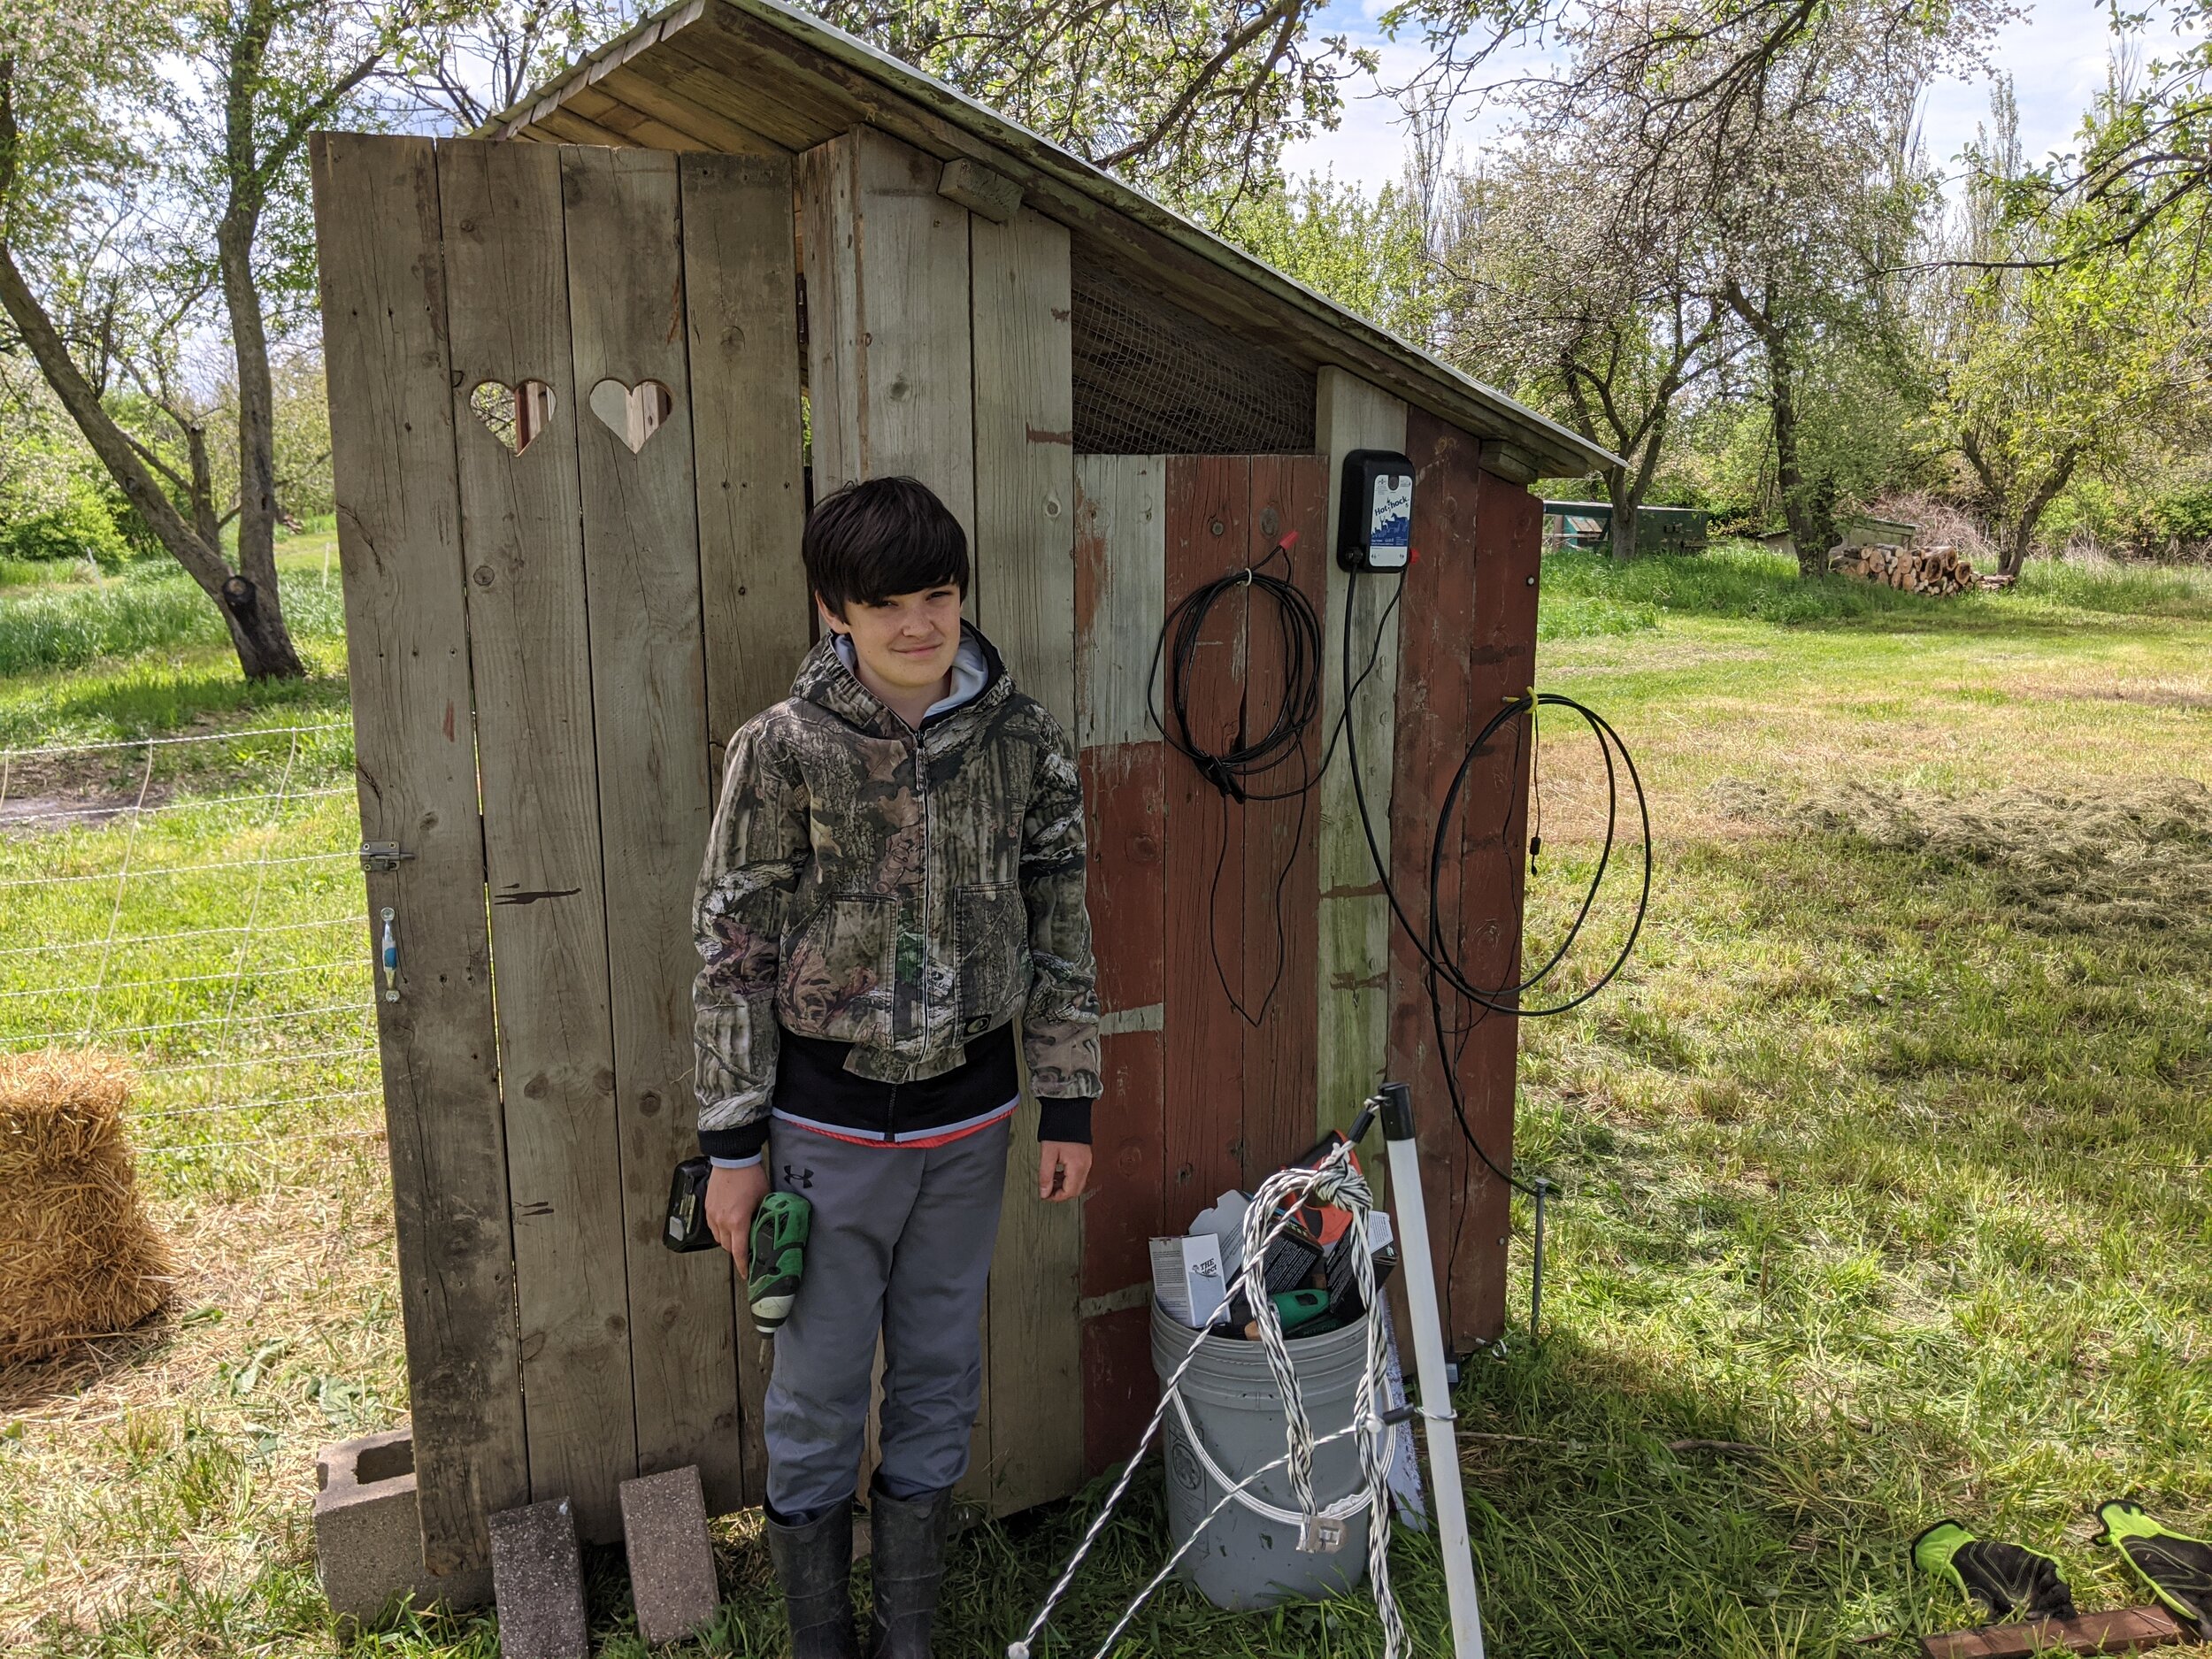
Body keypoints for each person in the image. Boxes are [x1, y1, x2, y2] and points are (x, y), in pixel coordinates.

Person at [691, 476, 1102, 1659]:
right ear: (835, 611)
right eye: (887, 605)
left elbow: (1061, 918)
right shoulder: (781, 748)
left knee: (937, 1377)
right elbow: (731, 951)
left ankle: (906, 1637)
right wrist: (731, 1148)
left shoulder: (1022, 739)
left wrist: (1068, 1101)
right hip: (824, 1136)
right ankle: (823, 1641)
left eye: (939, 594)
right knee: (817, 1396)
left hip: (970, 1128)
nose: (920, 625)